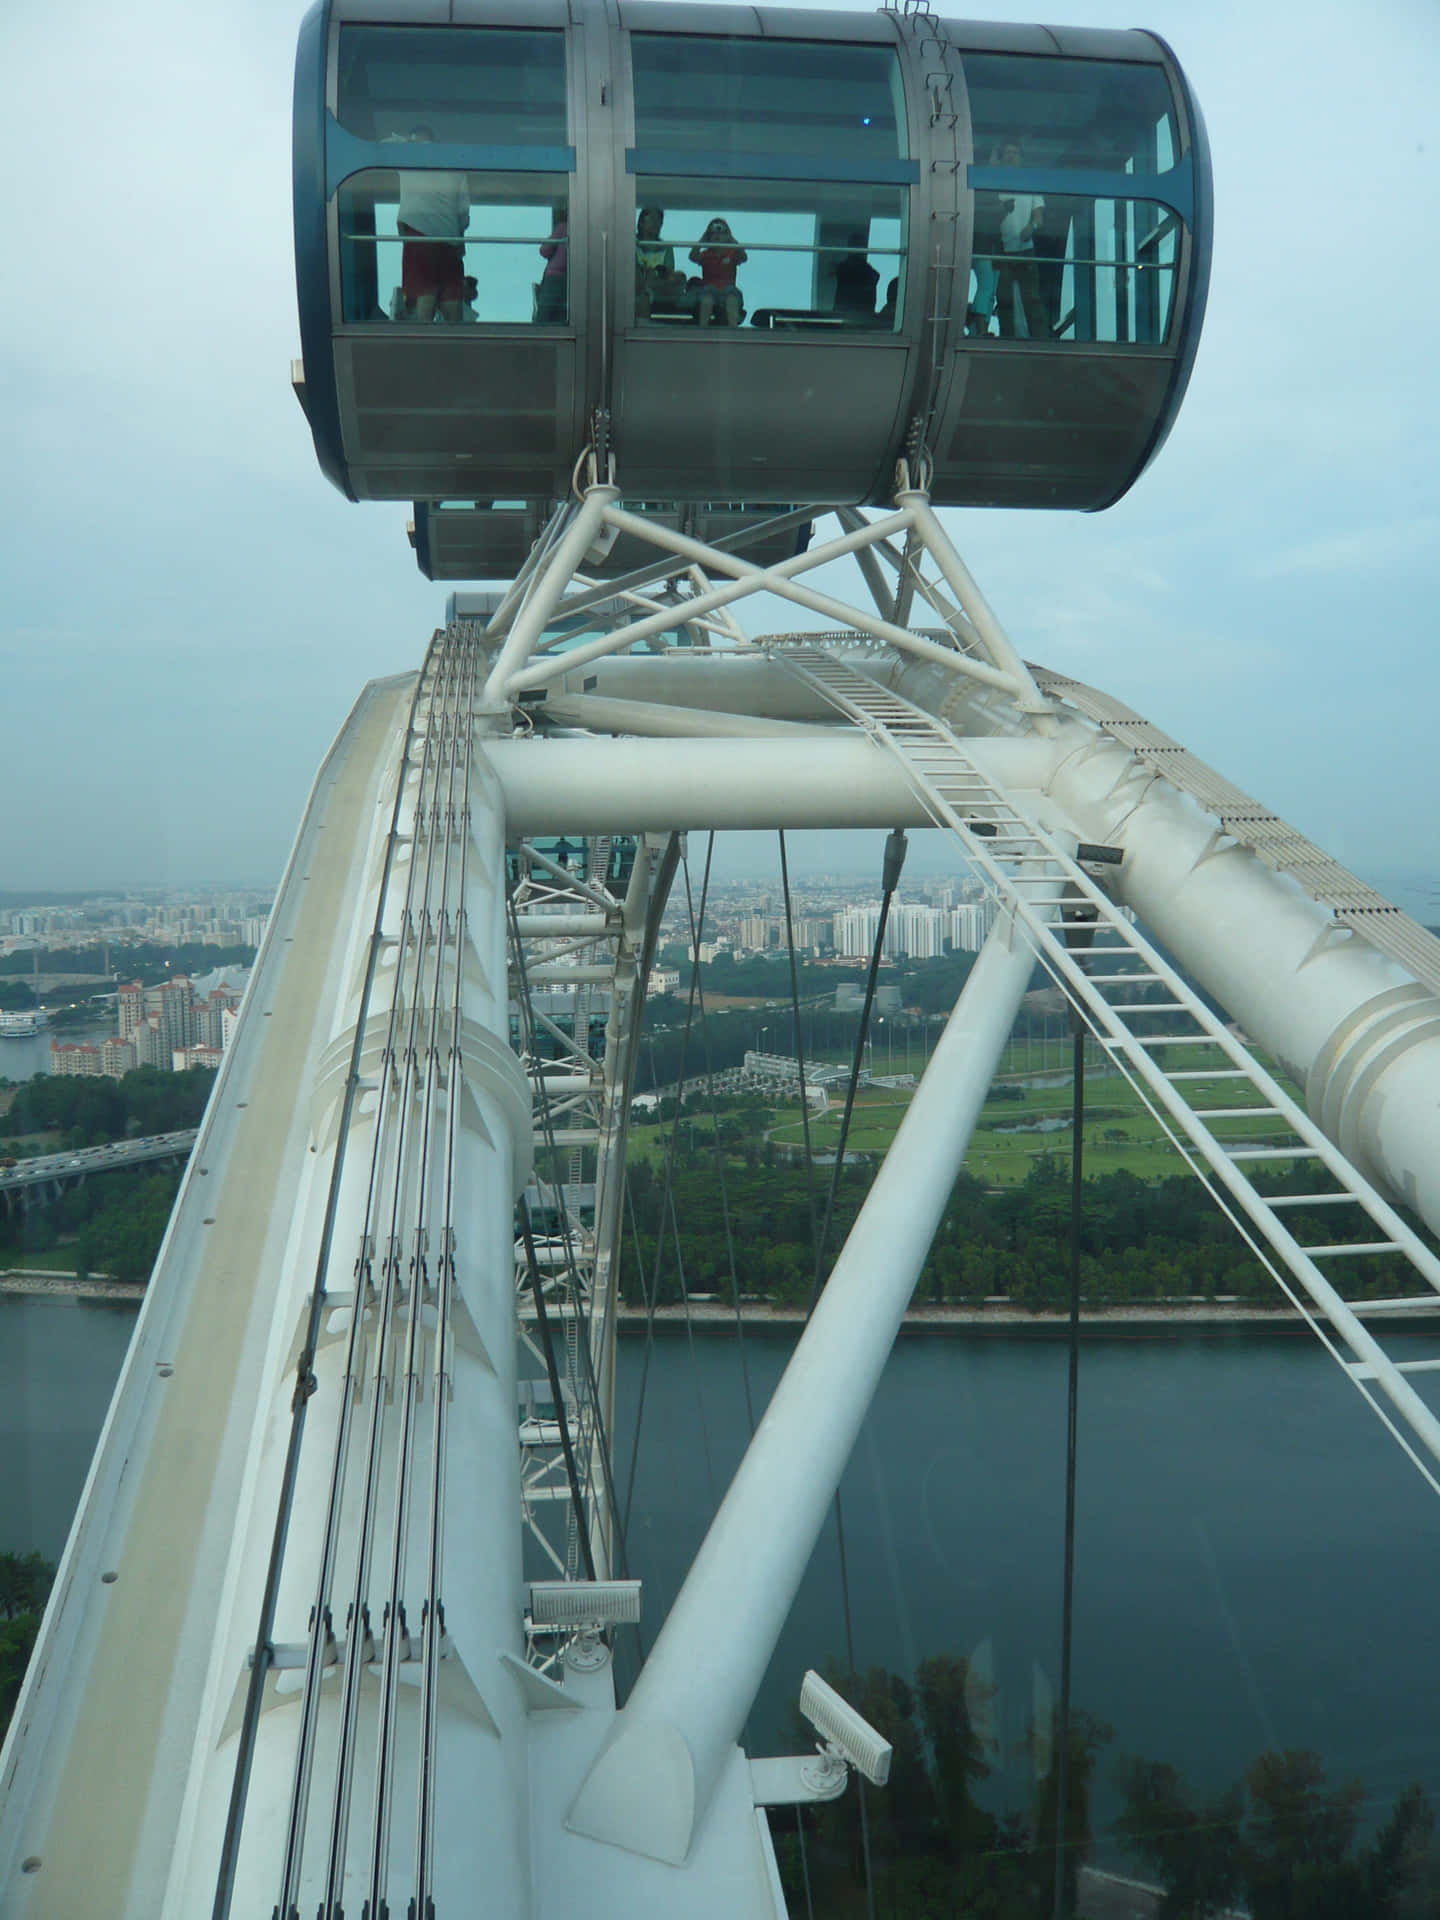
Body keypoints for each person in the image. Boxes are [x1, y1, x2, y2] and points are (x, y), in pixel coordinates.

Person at [395, 127, 470, 324]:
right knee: (451, 292)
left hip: (418, 233)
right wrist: (459, 237)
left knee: (424, 289)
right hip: (451, 237)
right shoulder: (455, 166)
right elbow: (463, 212)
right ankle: (456, 337)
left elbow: (381, 144)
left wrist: (407, 141)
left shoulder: (406, 158)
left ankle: (424, 335)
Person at [993, 141, 1047, 339]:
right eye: (1007, 152)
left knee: (1032, 299)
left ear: (1021, 158)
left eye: (1014, 152)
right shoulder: (994, 183)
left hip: (1025, 251)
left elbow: (1039, 217)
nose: (1011, 155)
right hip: (1002, 251)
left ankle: (1041, 340)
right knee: (1004, 300)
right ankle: (1007, 340)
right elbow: (987, 214)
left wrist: (1031, 228)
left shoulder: (1030, 183)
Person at [690, 218, 746, 327]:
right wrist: (702, 239)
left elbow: (743, 257)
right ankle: (703, 330)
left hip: (728, 290)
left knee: (732, 299)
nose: (717, 236)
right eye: (713, 233)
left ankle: (733, 332)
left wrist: (731, 239)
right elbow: (692, 256)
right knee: (706, 299)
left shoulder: (732, 253)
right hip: (709, 290)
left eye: (721, 233)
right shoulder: (706, 254)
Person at [635, 207, 688, 318]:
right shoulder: (631, 243)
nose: (657, 224)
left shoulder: (666, 247)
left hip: (659, 287)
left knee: (680, 276)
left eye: (659, 221)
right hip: (636, 287)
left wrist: (653, 277)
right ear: (641, 222)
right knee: (643, 295)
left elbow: (668, 274)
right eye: (652, 219)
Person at [831, 234, 879, 321]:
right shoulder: (846, 267)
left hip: (857, 313)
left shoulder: (860, 268)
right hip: (850, 313)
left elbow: (874, 277)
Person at [536, 204, 568, 322]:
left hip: (554, 277)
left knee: (544, 316)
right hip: (572, 280)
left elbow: (544, 250)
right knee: (561, 315)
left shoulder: (563, 228)